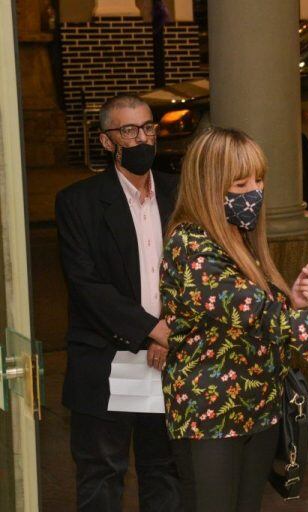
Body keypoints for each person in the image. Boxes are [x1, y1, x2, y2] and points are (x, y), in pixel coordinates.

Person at [160, 126, 308, 512]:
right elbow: (260, 318)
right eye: (241, 183)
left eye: (258, 180)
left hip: (257, 407)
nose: (254, 191)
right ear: (209, 186)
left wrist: (296, 303)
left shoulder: (236, 238)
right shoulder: (191, 247)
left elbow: (260, 320)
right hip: (210, 415)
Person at [55, 94, 182, 511]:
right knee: (101, 475)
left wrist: (169, 331)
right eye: (129, 131)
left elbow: (194, 273)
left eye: (148, 128)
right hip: (105, 358)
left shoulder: (178, 194)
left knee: (165, 472)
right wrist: (152, 328)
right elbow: (86, 284)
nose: (142, 138)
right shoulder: (79, 202)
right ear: (108, 141)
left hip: (167, 360)